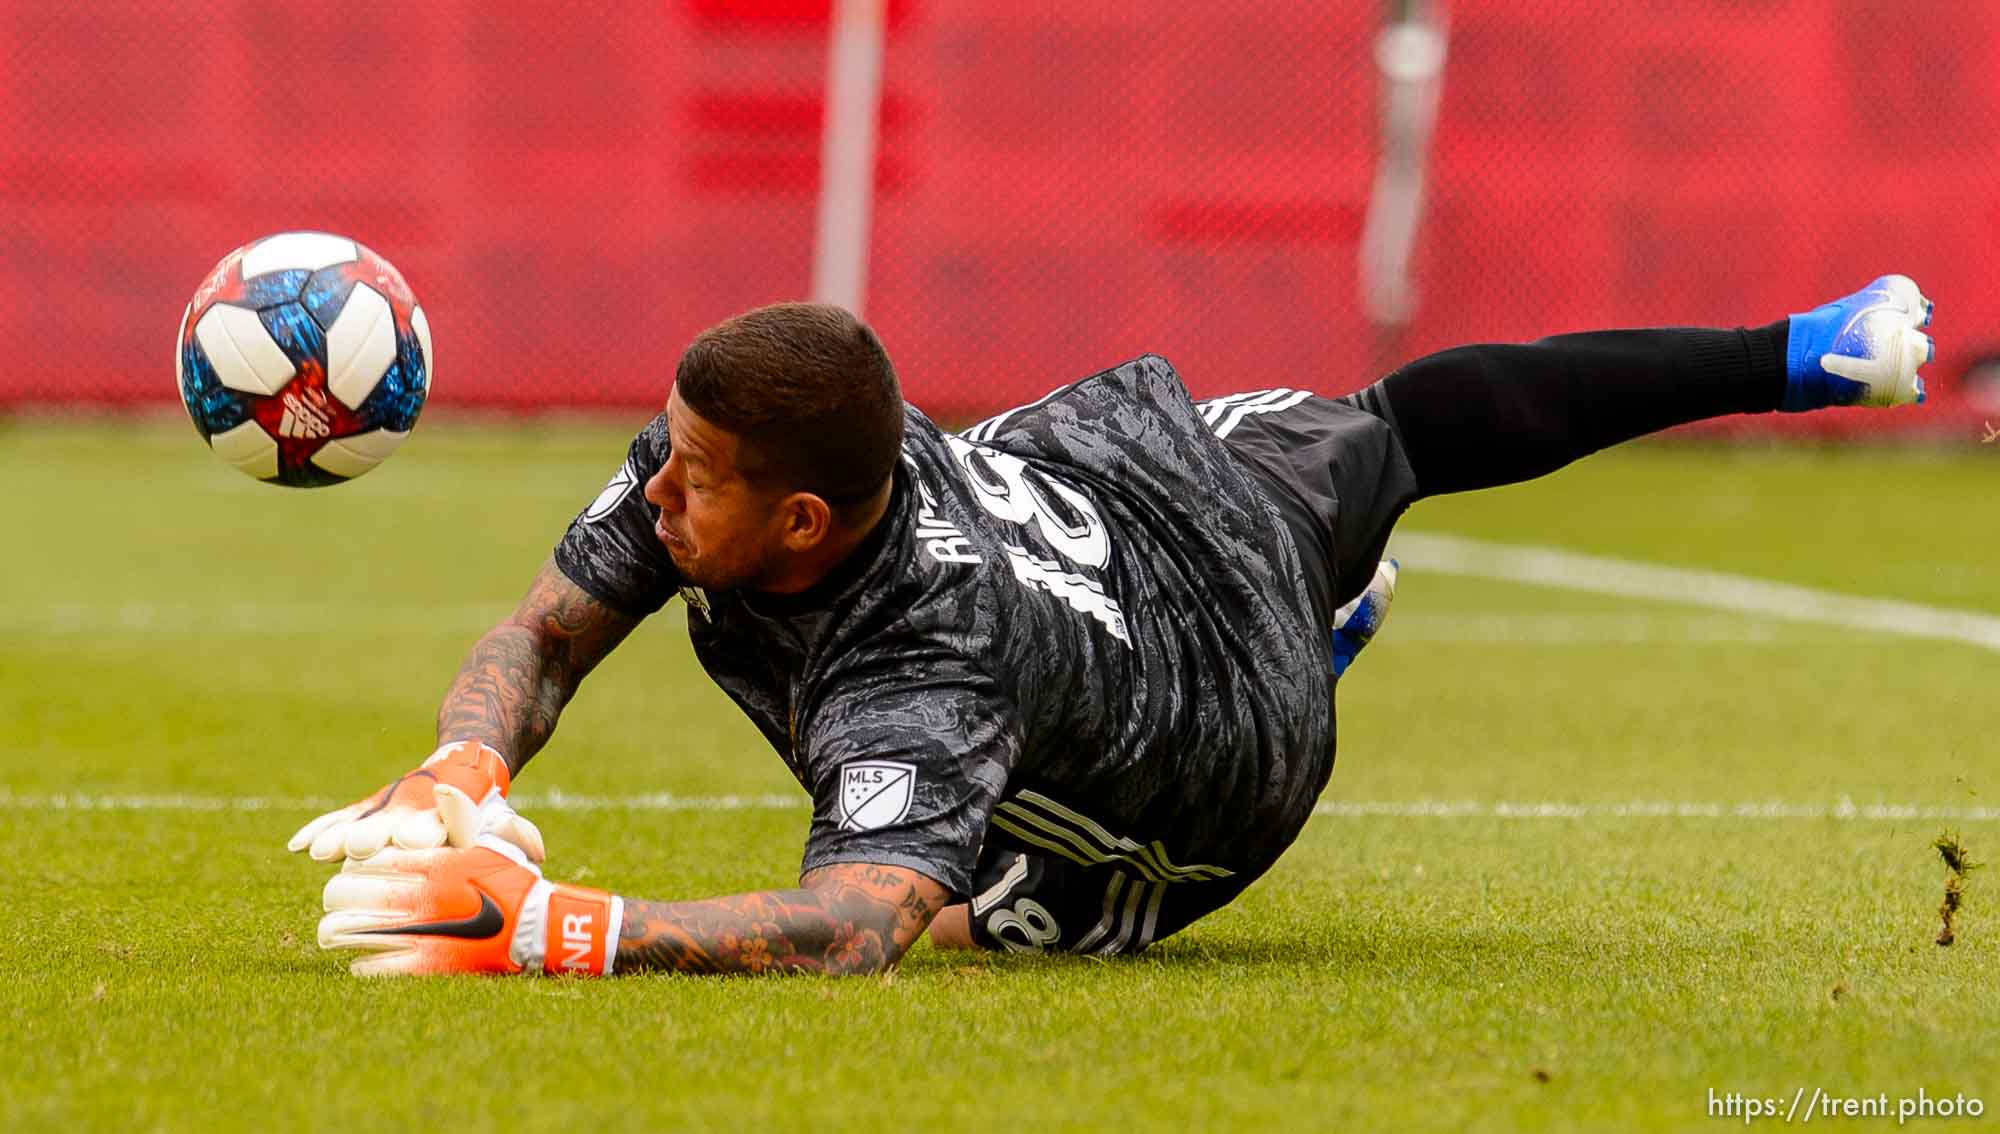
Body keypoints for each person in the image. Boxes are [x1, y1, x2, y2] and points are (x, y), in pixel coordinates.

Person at [298, 275, 1936, 977]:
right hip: (1122, 487)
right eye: (670, 453)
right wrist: (463, 764)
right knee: (1385, 434)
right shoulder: (729, 460)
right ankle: (1804, 348)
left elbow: (850, 922)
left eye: (697, 481)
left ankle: (1798, 351)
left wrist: (553, 923)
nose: (658, 496)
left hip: (1225, 756)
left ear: (804, 519)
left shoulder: (914, 659)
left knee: (955, 929)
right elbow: (549, 634)